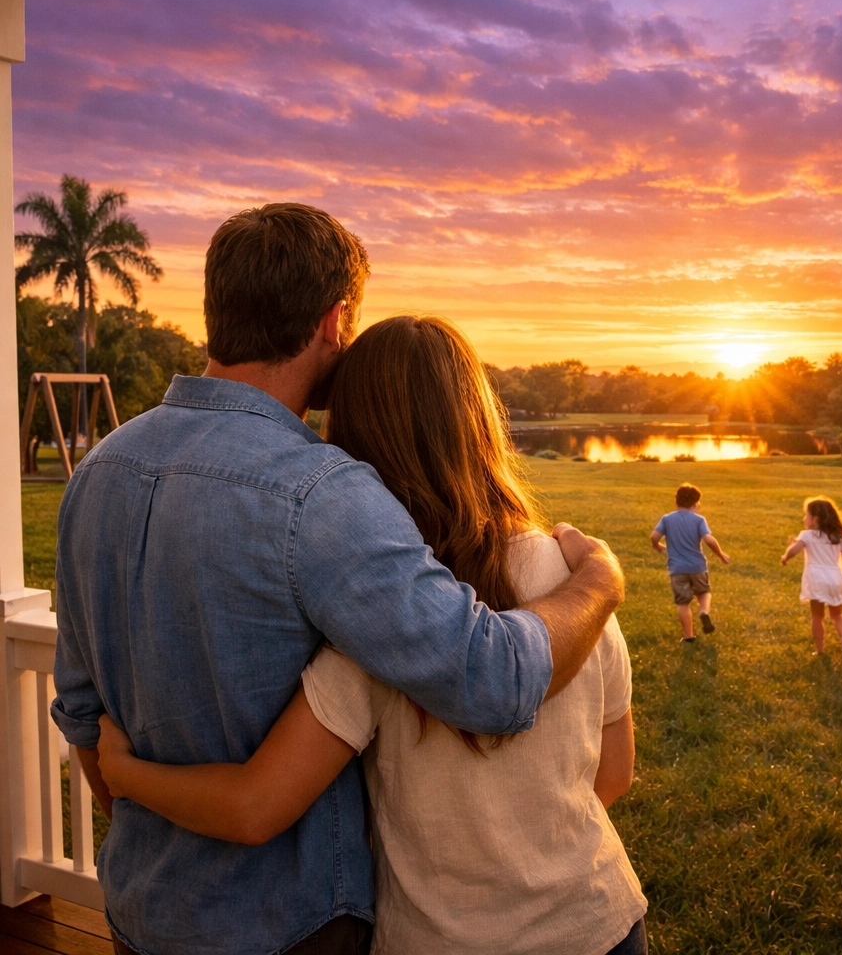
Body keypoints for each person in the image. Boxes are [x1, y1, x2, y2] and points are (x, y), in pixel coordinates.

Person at [51, 204, 625, 955]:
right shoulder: (320, 492)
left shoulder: (95, 473)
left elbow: (84, 711)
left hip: (141, 909)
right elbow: (490, 680)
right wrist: (599, 584)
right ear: (336, 319)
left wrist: (133, 793)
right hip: (294, 925)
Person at [780, 495, 842, 658]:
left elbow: (794, 550)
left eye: (807, 515)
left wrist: (785, 557)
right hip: (836, 579)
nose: (804, 518)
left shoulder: (807, 535)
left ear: (815, 520)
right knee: (837, 614)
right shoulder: (837, 537)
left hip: (817, 579)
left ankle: (820, 651)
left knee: (817, 616)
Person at [650, 482, 730, 642]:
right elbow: (709, 540)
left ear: (676, 501)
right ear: (695, 504)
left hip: (677, 569)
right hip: (697, 566)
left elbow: (654, 536)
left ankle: (688, 637)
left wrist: (657, 545)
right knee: (704, 593)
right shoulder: (699, 520)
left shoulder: (667, 519)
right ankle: (704, 612)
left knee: (683, 603)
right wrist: (720, 554)